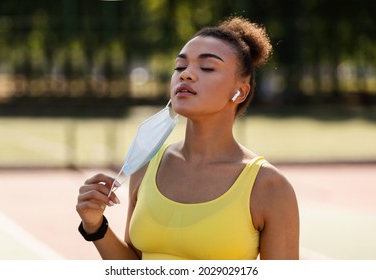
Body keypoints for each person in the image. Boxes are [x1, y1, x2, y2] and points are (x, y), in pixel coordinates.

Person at [76, 16, 299, 260]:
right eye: (180, 67)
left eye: (207, 68)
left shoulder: (269, 187)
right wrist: (95, 227)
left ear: (240, 91)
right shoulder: (147, 165)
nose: (186, 75)